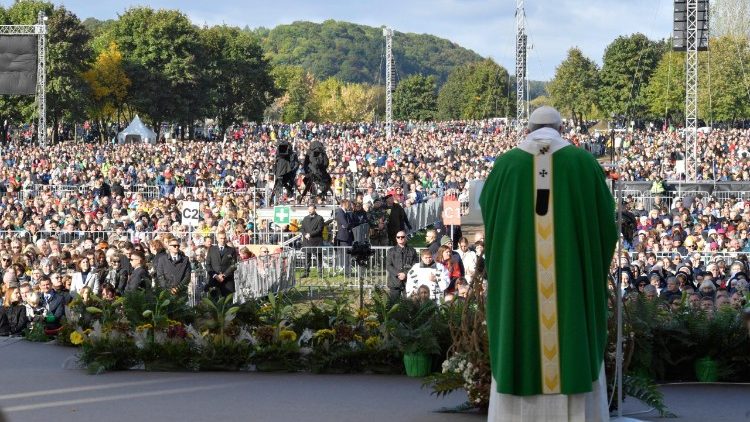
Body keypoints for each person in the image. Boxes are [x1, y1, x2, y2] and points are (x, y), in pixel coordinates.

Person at [480, 106, 617, 421]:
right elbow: (607, 231)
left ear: (528, 129)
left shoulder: (506, 166)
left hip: (520, 291)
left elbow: (491, 223)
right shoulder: (584, 164)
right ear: (561, 128)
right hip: (572, 294)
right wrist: (584, 266)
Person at [385, 230, 419, 300]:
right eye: (398, 237)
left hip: (408, 281)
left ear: (406, 238)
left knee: (408, 305)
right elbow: (388, 265)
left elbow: (415, 266)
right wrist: (398, 274)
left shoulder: (412, 251)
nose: (400, 238)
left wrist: (405, 274)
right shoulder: (391, 251)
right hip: (394, 282)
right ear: (396, 239)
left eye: (402, 237)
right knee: (393, 305)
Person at [206, 231, 238, 297]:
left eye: (224, 238)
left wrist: (224, 275)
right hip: (214, 280)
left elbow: (233, 265)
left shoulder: (231, 250)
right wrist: (215, 275)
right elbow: (208, 265)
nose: (222, 240)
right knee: (214, 303)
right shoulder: (211, 249)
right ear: (217, 239)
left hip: (227, 280)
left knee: (228, 304)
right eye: (221, 238)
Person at [301, 205, 324, 278]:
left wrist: (310, 234)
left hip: (316, 241)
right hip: (307, 241)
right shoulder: (305, 218)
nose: (310, 211)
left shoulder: (319, 218)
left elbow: (320, 229)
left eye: (311, 209)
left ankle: (320, 273)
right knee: (307, 258)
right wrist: (305, 235)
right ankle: (306, 272)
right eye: (309, 209)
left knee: (318, 258)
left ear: (315, 209)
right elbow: (302, 228)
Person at [334, 199, 353, 276]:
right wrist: (347, 225)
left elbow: (349, 224)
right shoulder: (340, 213)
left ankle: (348, 271)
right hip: (343, 237)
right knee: (345, 254)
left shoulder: (345, 213)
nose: (349, 206)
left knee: (348, 254)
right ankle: (346, 272)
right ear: (344, 204)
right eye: (348, 204)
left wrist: (347, 225)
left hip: (347, 236)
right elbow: (346, 224)